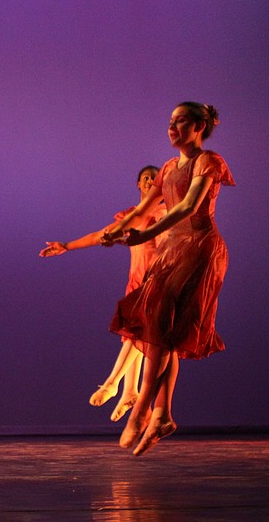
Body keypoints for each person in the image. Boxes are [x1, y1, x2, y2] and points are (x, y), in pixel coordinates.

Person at [101, 102, 235, 456]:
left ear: (199, 126)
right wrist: (115, 231)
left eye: (181, 121)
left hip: (199, 247)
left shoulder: (208, 161)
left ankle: (144, 407)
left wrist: (145, 237)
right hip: (171, 250)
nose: (172, 126)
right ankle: (162, 414)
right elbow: (144, 209)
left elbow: (187, 207)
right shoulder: (168, 167)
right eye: (171, 121)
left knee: (163, 324)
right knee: (161, 329)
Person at [40, 165, 167, 422]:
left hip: (157, 279)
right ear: (138, 184)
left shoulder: (166, 212)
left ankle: (113, 382)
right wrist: (67, 246)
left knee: (140, 333)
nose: (150, 180)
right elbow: (102, 234)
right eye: (146, 178)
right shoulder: (132, 215)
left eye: (155, 178)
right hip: (136, 279)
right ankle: (131, 391)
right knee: (133, 334)